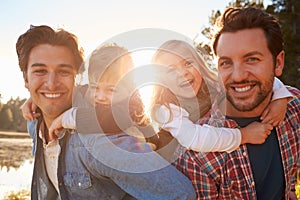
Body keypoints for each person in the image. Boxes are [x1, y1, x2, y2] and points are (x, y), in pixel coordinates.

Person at [16, 25, 196, 199]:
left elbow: (180, 194)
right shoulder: (34, 121)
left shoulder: (101, 144)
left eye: (63, 72)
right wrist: (39, 98)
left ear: (75, 78)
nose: (52, 83)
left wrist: (66, 112)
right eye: (40, 71)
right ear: (26, 79)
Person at [173, 7, 300, 199]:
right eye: (226, 63)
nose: (238, 76)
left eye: (252, 59)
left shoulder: (293, 107)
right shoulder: (196, 156)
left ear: (278, 63)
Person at [149, 39, 292, 154]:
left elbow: (256, 80)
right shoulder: (165, 108)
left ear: (199, 64)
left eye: (187, 63)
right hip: (180, 169)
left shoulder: (212, 83)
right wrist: (244, 135)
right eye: (171, 70)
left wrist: (280, 98)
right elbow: (194, 138)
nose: (183, 73)